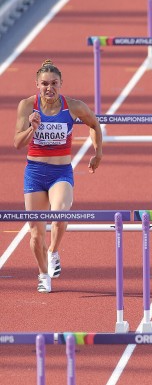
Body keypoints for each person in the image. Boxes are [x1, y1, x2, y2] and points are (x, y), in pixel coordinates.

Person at [14, 59, 103, 293]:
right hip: (34, 172)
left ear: (61, 84)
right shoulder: (27, 106)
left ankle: (53, 251)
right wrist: (32, 128)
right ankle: (43, 274)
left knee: (60, 214)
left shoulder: (72, 107)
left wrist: (98, 153)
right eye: (44, 84)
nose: (49, 88)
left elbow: (94, 124)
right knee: (35, 234)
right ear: (37, 85)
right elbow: (17, 143)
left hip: (60, 172)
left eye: (54, 83)